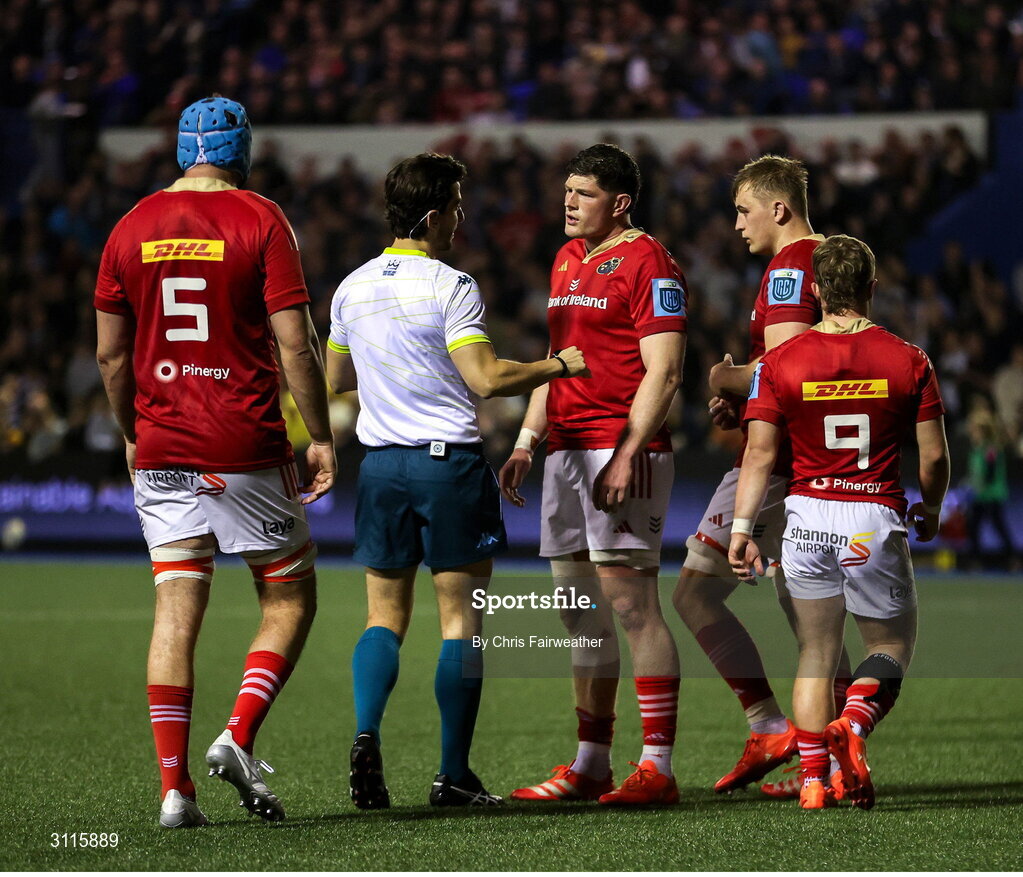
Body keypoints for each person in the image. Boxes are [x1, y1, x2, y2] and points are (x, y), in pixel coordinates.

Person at [94, 96, 336, 828]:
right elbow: (294, 342)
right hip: (243, 441)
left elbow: (110, 352)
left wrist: (131, 430)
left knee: (174, 609)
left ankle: (174, 791)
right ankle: (236, 733)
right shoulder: (260, 217)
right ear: (242, 149)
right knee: (289, 598)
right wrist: (319, 432)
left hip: (162, 441)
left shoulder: (130, 225)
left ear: (181, 149)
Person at [326, 153, 587, 809]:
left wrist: (391, 369)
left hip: (380, 467)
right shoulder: (451, 285)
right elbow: (486, 378)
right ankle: (452, 774)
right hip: (445, 465)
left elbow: (333, 380)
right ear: (435, 214)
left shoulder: (350, 287)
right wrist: (559, 364)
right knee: (460, 623)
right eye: (458, 208)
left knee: (382, 616)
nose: (461, 220)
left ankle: (364, 732)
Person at [729, 234, 949, 810]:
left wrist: (741, 530)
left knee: (815, 653)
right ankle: (852, 723)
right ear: (873, 288)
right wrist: (932, 504)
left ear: (818, 290)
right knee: (892, 644)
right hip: (872, 516)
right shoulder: (908, 359)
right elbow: (933, 456)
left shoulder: (778, 363)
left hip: (806, 517)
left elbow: (757, 454)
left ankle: (812, 782)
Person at [500, 144, 687, 805]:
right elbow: (558, 357)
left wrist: (629, 451)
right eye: (566, 190)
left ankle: (657, 765)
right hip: (566, 452)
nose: (568, 201)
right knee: (578, 612)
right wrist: (527, 438)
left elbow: (664, 370)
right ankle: (590, 762)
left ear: (620, 202)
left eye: (583, 193)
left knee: (632, 604)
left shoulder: (649, 261)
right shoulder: (566, 258)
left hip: (620, 450)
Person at [672, 155, 852, 797]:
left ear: (779, 208)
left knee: (694, 593)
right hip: (820, 458)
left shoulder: (790, 263)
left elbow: (787, 364)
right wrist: (744, 395)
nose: (738, 223)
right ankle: (834, 755)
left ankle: (772, 726)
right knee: (810, 613)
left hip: (777, 461)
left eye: (745, 210)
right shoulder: (835, 259)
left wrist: (725, 379)